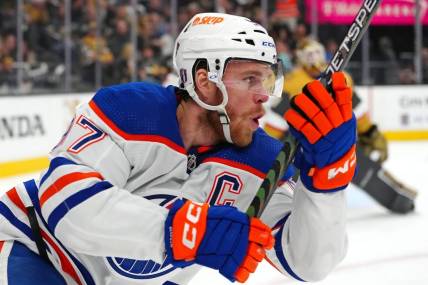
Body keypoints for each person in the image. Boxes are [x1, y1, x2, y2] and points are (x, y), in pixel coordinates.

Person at [0, 13, 356, 284]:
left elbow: (308, 262)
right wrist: (187, 232)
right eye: (250, 79)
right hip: (33, 249)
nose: (264, 94)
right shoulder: (130, 111)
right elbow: (67, 204)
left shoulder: (261, 160)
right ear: (205, 82)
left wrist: (327, 182)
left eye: (267, 79)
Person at [263, 38, 417, 214]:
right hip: (303, 149)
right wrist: (271, 151)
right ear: (299, 57)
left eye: (316, 52)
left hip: (338, 140)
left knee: (363, 170)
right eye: (308, 54)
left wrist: (370, 133)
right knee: (293, 188)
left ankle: (398, 199)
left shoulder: (340, 77)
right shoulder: (290, 83)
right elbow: (276, 122)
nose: (313, 58)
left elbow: (356, 109)